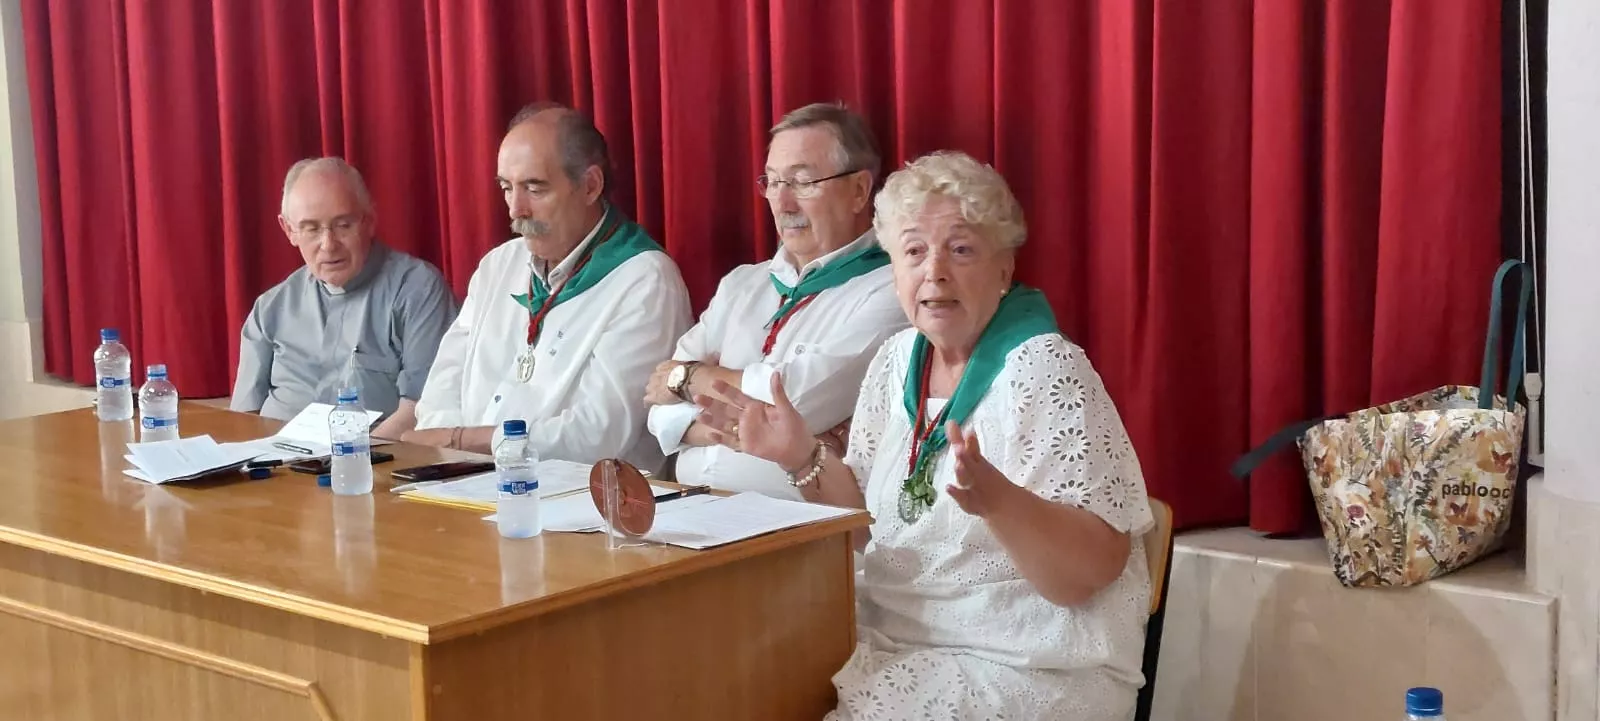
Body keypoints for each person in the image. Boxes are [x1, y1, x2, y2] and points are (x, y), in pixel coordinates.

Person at [694, 151, 1154, 720]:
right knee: (724, 678)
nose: (934, 271)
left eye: (960, 250)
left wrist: (1000, 502)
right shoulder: (897, 360)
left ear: (1005, 269)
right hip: (893, 638)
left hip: (1029, 665)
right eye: (914, 251)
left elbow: (1089, 574)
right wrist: (800, 455)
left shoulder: (1043, 368)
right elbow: (868, 531)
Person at [405, 103, 692, 470]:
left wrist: (462, 441)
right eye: (507, 188)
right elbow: (442, 388)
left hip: (582, 503)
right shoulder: (498, 265)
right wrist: (451, 452)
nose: (515, 209)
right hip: (467, 481)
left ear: (590, 185)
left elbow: (599, 435)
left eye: (534, 189)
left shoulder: (645, 279)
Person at [642, 103, 907, 499]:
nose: (783, 203)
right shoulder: (742, 284)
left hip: (797, 531)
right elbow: (657, 407)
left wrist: (689, 379)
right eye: (772, 182)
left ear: (859, 190)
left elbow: (794, 402)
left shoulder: (892, 288)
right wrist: (703, 415)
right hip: (687, 509)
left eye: (803, 182)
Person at [230, 157, 457, 439]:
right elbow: (244, 419)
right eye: (311, 228)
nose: (328, 245)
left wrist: (350, 459)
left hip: (373, 466)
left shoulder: (417, 290)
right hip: (277, 467)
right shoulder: (270, 308)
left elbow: (421, 411)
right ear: (289, 230)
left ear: (369, 221)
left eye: (343, 225)